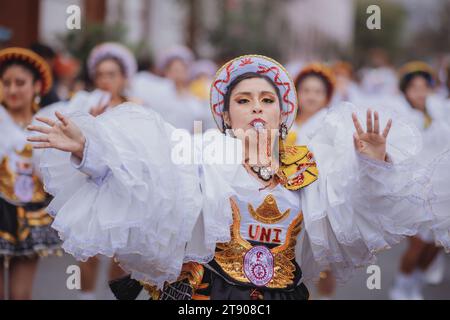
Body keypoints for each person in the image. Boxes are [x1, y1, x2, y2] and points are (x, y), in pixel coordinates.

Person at [27, 55, 438, 300]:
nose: (256, 108)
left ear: (281, 114)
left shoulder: (308, 164)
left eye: (266, 100)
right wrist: (89, 149)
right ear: (225, 115)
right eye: (243, 100)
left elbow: (357, 212)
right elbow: (140, 176)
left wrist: (373, 164)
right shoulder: (200, 152)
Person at [0, 47, 61, 300]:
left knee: (21, 295)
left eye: (20, 83)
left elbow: (55, 175)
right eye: (6, 83)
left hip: (32, 212)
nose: (12, 90)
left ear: (37, 86)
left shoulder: (46, 125)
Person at [389, 62, 450, 300]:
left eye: (425, 86)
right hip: (413, 190)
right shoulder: (401, 117)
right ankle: (400, 288)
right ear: (405, 91)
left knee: (436, 244)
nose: (420, 92)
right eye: (414, 87)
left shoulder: (439, 112)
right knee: (418, 244)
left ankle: (414, 285)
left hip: (441, 188)